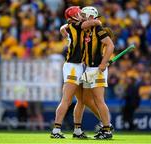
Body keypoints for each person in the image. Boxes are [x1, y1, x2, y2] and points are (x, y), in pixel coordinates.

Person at [50, 6, 102, 139]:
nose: (82, 14)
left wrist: (65, 26)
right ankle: (56, 130)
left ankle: (77, 130)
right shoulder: (77, 25)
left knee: (81, 101)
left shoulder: (70, 26)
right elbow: (96, 22)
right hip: (73, 67)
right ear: (74, 16)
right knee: (66, 100)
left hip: (78, 66)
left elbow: (63, 28)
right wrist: (95, 21)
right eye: (80, 13)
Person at [80, 6, 115, 139]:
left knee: (99, 100)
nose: (81, 17)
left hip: (97, 69)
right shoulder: (86, 30)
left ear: (90, 17)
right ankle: (107, 124)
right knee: (86, 100)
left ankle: (106, 130)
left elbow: (110, 45)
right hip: (89, 69)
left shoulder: (98, 30)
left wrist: (103, 63)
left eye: (84, 15)